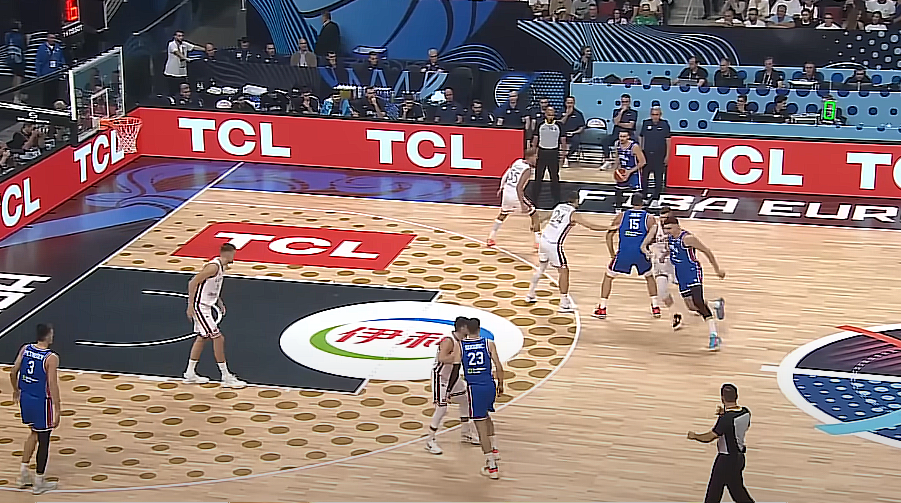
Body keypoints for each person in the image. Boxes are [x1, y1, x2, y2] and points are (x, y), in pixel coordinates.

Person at [527, 194, 607, 313]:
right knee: (564, 271)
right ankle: (564, 304)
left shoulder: (559, 206)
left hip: (544, 240)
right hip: (554, 244)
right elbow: (591, 226)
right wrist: (609, 227)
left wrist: (535, 225)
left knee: (541, 268)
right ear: (577, 201)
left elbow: (544, 217)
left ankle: (530, 294)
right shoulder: (573, 213)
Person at [184, 243, 246, 387]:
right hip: (200, 306)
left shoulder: (222, 267)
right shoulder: (213, 267)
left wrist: (218, 301)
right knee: (218, 338)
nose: (234, 257)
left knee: (202, 338)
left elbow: (211, 286)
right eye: (233, 254)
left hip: (207, 305)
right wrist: (190, 305)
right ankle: (225, 376)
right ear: (228, 253)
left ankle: (190, 373)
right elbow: (193, 282)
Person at [10, 323, 60, 494]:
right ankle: (39, 482)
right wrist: (57, 409)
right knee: (44, 440)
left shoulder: (25, 349)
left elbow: (13, 372)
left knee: (34, 433)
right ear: (48, 336)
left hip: (26, 398)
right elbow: (52, 384)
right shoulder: (51, 358)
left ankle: (23, 474)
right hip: (41, 402)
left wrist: (16, 390)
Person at [662, 216, 726, 351]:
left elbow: (707, 251)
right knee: (691, 306)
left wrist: (717, 270)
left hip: (692, 272)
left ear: (677, 226)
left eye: (669, 228)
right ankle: (716, 304)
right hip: (680, 274)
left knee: (698, 302)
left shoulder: (688, 238)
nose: (667, 231)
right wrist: (664, 255)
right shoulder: (669, 238)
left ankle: (714, 336)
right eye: (665, 228)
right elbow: (672, 249)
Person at [594, 193, 660, 320]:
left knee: (608, 277)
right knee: (649, 276)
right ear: (643, 203)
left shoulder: (622, 216)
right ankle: (655, 307)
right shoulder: (649, 218)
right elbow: (654, 238)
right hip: (640, 253)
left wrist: (612, 253)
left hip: (624, 253)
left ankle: (602, 308)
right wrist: (646, 246)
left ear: (631, 202)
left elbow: (609, 235)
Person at [688, 384, 754, 503]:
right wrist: (724, 413)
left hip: (725, 460)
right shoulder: (745, 412)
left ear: (722, 398)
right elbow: (734, 424)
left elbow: (710, 437)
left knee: (713, 494)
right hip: (739, 458)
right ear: (736, 396)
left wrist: (695, 436)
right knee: (738, 493)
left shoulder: (726, 420)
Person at [460, 317, 505, 480]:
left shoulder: (461, 346)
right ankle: (495, 449)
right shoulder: (488, 343)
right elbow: (499, 366)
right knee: (486, 416)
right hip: (489, 385)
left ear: (467, 329)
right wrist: (501, 384)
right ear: (479, 328)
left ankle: (491, 466)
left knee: (480, 427)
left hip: (475, 388)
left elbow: (455, 365)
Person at [425, 317, 478, 454]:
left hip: (452, 377)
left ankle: (466, 433)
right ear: (462, 328)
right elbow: (442, 358)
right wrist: (458, 357)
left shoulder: (463, 341)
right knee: (441, 408)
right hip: (441, 377)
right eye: (467, 327)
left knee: (465, 399)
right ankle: (430, 440)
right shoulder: (449, 340)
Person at [487, 148, 541, 249]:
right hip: (515, 194)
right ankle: (538, 243)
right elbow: (519, 188)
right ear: (530, 157)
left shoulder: (517, 161)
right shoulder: (527, 170)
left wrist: (501, 187)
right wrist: (522, 203)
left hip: (506, 191)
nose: (537, 158)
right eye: (535, 156)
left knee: (503, 214)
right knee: (534, 214)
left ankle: (491, 238)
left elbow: (506, 173)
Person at [641, 206, 683, 329]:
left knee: (688, 293)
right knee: (662, 292)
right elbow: (643, 246)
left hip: (675, 263)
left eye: (666, 218)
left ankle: (709, 305)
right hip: (660, 264)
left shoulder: (677, 230)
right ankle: (675, 314)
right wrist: (648, 253)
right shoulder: (655, 228)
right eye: (661, 218)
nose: (663, 220)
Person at [639, 106, 671, 205]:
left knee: (658, 177)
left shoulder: (665, 124)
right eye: (653, 114)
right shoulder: (646, 123)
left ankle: (656, 198)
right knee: (645, 176)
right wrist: (640, 153)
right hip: (647, 154)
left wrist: (667, 155)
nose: (655, 117)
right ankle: (644, 196)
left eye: (657, 115)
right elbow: (641, 137)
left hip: (659, 155)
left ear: (660, 115)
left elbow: (668, 140)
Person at [532, 106, 562, 205]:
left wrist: (563, 155)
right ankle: (534, 198)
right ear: (545, 114)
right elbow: (535, 138)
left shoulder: (559, 125)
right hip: (542, 152)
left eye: (552, 114)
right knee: (538, 177)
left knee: (554, 177)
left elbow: (563, 140)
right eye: (549, 114)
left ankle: (556, 199)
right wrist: (534, 153)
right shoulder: (540, 124)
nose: (550, 116)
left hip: (554, 152)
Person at [614, 129, 646, 210]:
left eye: (624, 136)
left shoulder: (634, 147)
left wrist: (629, 172)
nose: (622, 138)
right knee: (618, 191)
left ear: (628, 137)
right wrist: (616, 170)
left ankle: (637, 210)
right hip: (623, 171)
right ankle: (618, 211)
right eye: (620, 136)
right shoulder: (617, 144)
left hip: (634, 171)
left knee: (637, 193)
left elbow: (643, 162)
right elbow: (617, 158)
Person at [164, 30, 199, 97]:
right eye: (179, 36)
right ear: (175, 36)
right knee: (173, 90)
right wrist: (186, 58)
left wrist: (206, 49)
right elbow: (177, 53)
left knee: (182, 89)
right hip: (172, 72)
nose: (181, 37)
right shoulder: (171, 44)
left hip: (182, 72)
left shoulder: (184, 44)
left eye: (182, 36)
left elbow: (194, 47)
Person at [4, 21, 27, 103]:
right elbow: (24, 47)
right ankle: (16, 97)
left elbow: (6, 44)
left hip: (10, 58)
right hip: (18, 59)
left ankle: (16, 95)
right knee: (18, 77)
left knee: (15, 76)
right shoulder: (21, 36)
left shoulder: (7, 35)